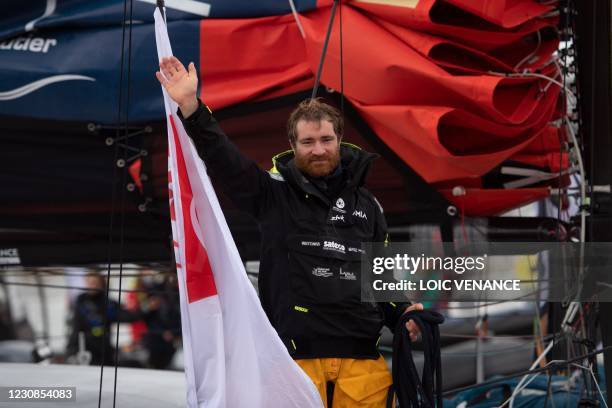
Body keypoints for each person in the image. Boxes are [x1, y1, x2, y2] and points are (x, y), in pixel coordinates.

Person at [157, 56, 422, 407]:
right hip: (294, 364)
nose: (319, 150)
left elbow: (379, 279)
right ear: (293, 145)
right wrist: (191, 106)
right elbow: (226, 162)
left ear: (339, 140)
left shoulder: (369, 206)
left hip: (364, 367)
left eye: (326, 140)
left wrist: (404, 312)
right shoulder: (272, 195)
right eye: (308, 142)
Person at [66, 272, 141, 366]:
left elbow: (128, 316)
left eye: (95, 282)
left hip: (105, 353)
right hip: (86, 354)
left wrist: (145, 308)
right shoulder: (81, 303)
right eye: (90, 282)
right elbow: (75, 329)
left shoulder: (108, 304)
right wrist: (71, 352)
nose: (92, 285)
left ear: (102, 283)